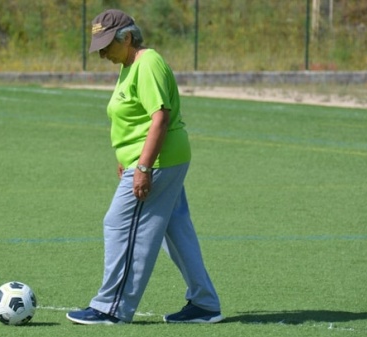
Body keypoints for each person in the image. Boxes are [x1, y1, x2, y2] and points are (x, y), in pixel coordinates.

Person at [65, 9, 223, 325]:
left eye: (107, 46)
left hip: (159, 161)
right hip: (159, 160)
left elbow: (160, 117)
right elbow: (135, 119)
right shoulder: (130, 66)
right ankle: (205, 304)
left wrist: (144, 167)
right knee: (175, 230)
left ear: (127, 37)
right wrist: (127, 160)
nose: (103, 55)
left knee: (119, 224)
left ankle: (112, 308)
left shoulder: (147, 64)